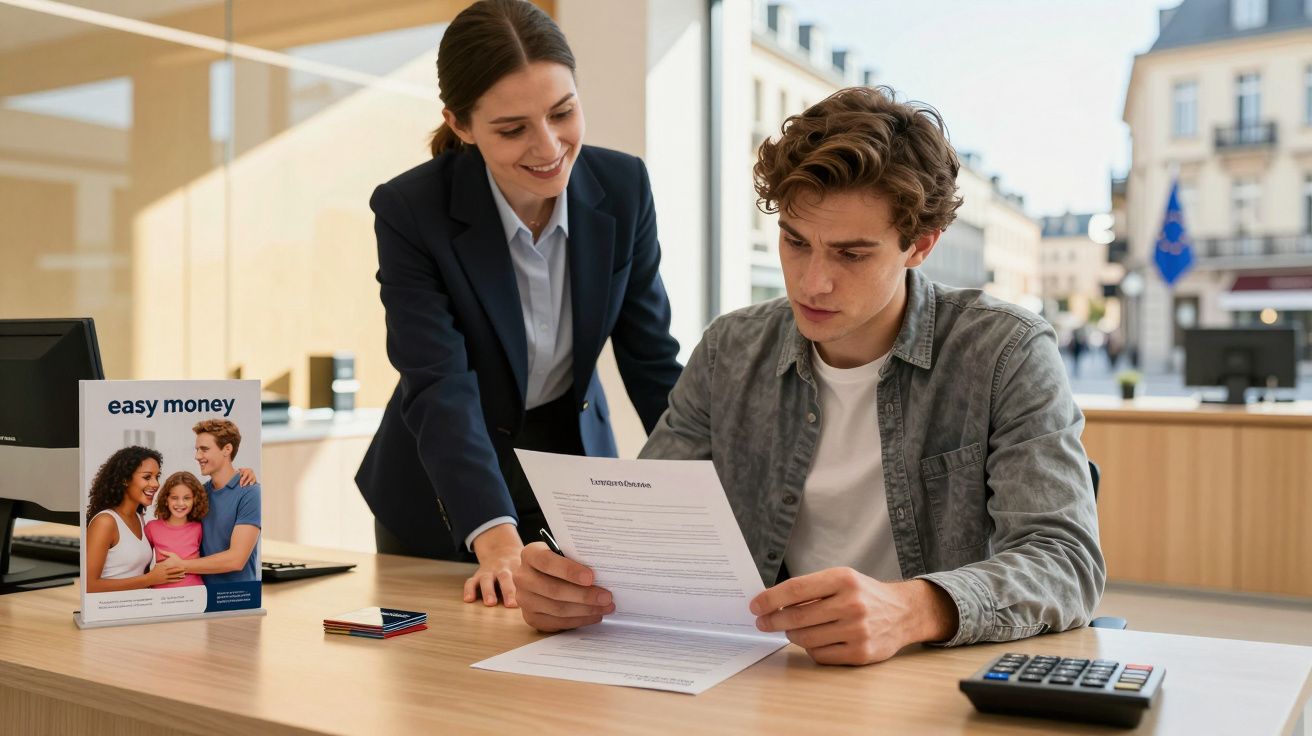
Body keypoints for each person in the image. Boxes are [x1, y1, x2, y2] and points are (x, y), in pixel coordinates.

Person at [514, 87, 1105, 665]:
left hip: (933, 679)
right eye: (795, 242)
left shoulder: (1005, 352)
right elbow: (645, 531)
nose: (811, 282)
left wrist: (914, 609)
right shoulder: (731, 349)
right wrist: (571, 584)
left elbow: (1065, 560)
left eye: (851, 254)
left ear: (920, 245)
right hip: (771, 674)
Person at [354, 0, 682, 609]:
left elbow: (652, 362)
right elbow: (437, 381)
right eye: (512, 129)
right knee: (445, 679)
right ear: (461, 123)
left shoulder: (624, 188)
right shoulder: (410, 211)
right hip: (444, 485)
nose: (549, 145)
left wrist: (696, 504)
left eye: (563, 112)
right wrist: (495, 535)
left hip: (571, 467)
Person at [163, 419, 260, 583]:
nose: (197, 456)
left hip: (237, 596)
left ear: (227, 449)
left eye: (204, 449)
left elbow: (236, 559)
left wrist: (182, 565)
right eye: (197, 450)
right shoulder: (200, 493)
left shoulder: (250, 492)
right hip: (202, 595)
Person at [84, 446, 184, 593]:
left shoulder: (139, 518)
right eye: (147, 477)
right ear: (125, 480)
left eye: (157, 476)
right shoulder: (105, 522)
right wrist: (150, 579)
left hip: (136, 608)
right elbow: (89, 586)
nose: (156, 484)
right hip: (110, 611)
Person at [144, 471, 208, 589]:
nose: (180, 503)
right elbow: (143, 563)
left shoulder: (199, 527)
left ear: (195, 500)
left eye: (187, 498)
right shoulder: (152, 527)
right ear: (166, 499)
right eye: (174, 498)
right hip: (161, 596)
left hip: (195, 594)